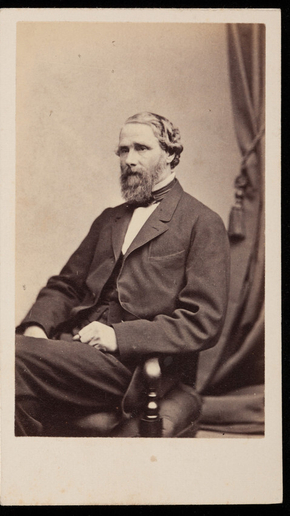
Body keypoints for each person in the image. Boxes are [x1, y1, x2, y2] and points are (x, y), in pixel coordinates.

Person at [15, 112, 230, 437]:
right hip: (70, 349)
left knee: (7, 356)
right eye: (123, 150)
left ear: (171, 155)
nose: (129, 159)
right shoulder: (109, 219)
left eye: (141, 148)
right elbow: (66, 285)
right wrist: (36, 327)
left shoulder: (202, 222)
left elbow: (203, 321)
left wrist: (119, 337)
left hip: (129, 366)